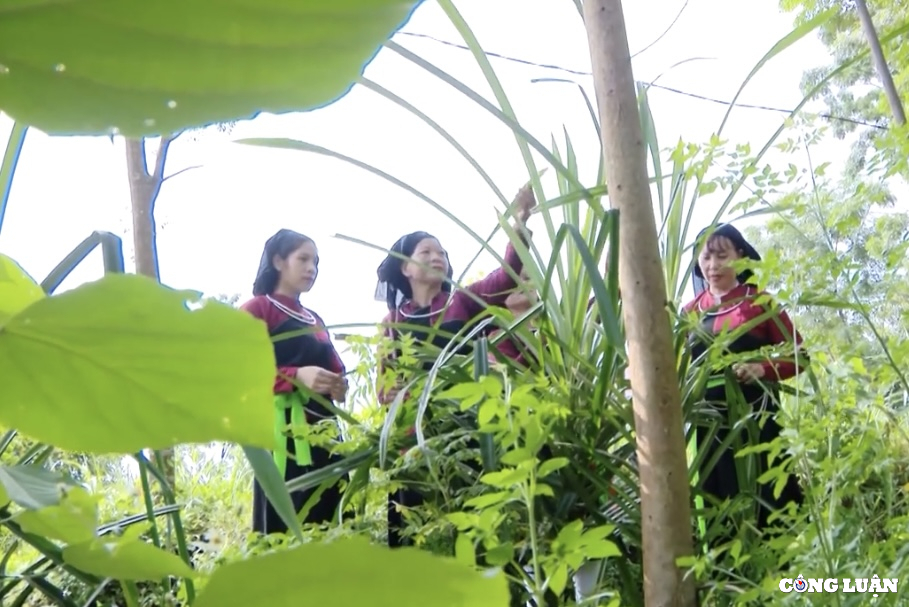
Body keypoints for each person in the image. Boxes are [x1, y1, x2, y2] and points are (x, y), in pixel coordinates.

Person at [374, 182, 537, 547]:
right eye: (427, 251)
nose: (438, 257)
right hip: (412, 442)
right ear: (405, 268)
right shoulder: (391, 322)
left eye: (442, 252)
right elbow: (384, 388)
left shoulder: (462, 302)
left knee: (470, 534)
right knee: (415, 541)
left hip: (465, 434)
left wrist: (520, 220)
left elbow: (507, 274)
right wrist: (393, 393)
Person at [682, 222, 806, 543]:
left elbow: (800, 356)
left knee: (770, 500)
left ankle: (786, 580)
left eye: (722, 256)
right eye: (705, 258)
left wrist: (762, 368)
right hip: (708, 430)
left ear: (741, 255)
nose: (713, 266)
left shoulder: (760, 303)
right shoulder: (688, 314)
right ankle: (728, 586)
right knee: (717, 503)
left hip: (757, 423)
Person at [241, 229, 348, 535]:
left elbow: (335, 369)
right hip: (282, 439)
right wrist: (294, 376)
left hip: (324, 434)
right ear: (278, 261)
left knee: (331, 516)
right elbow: (238, 371)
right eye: (303, 259)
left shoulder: (314, 319)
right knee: (287, 520)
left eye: (316, 262)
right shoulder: (257, 309)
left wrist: (338, 385)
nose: (311, 268)